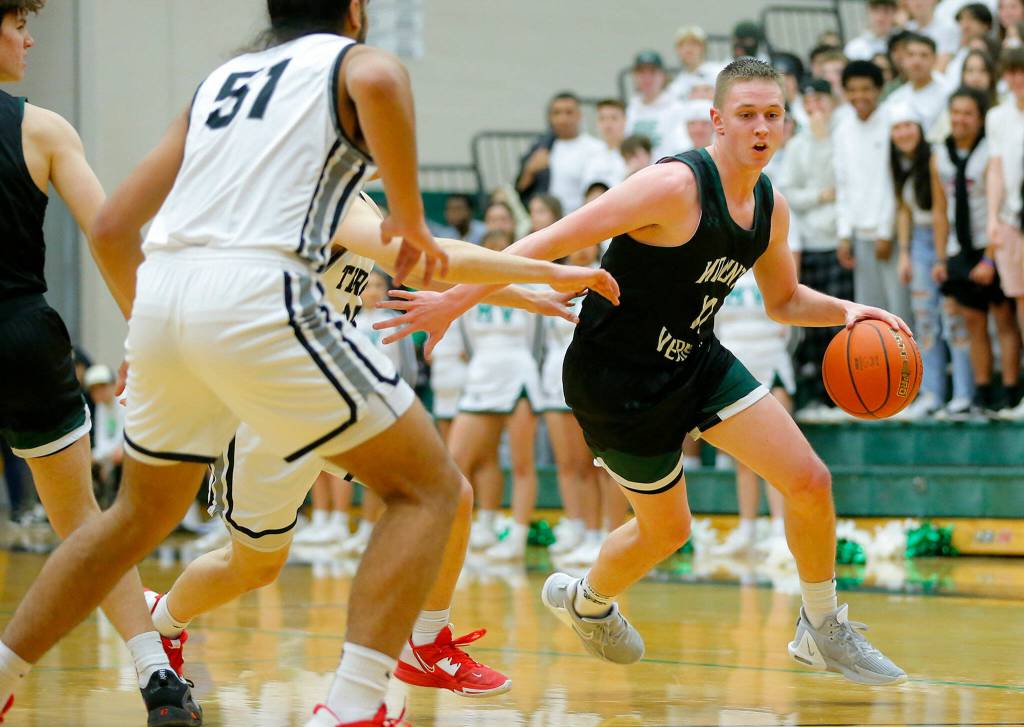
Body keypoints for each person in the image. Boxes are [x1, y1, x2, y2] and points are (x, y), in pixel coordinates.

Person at [0, 4, 622, 727]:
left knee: (136, 520)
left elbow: (111, 228)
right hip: (268, 329)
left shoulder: (224, 84)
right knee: (428, 493)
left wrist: (516, 290)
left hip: (176, 306)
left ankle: (11, 668)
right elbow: (412, 243)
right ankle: (354, 700)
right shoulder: (356, 74)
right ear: (355, 12)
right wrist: (547, 267)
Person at [375, 58, 909, 687]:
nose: (761, 127)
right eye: (746, 115)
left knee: (810, 480)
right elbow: (545, 239)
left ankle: (822, 627)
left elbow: (783, 301)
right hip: (616, 382)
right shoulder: (674, 186)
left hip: (695, 358)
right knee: (668, 531)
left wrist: (848, 310)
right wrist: (454, 297)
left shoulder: (771, 206)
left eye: (772, 115)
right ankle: (587, 600)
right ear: (717, 121)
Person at [0, 1, 198, 723]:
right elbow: (110, 232)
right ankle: (156, 675)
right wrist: (151, 340)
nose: (29, 38)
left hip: (20, 329)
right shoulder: (43, 128)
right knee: (85, 520)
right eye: (18, 23)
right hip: (21, 332)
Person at [932, 87, 1022, 416]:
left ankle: (1011, 391)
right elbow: (941, 209)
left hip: (990, 244)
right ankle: (982, 393)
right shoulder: (939, 154)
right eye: (955, 112)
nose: (960, 119)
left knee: (1003, 319)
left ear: (980, 117)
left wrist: (990, 256)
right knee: (973, 321)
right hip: (960, 247)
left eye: (968, 113)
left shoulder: (989, 152)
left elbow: (998, 206)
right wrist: (942, 257)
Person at [890, 104, 969, 418]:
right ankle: (931, 393)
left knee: (954, 320)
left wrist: (941, 254)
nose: (904, 133)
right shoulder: (899, 163)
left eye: (909, 126)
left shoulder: (935, 159)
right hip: (918, 244)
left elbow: (942, 211)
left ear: (920, 129)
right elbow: (904, 209)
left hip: (944, 239)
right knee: (924, 323)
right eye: (897, 128)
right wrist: (905, 253)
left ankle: (963, 394)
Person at [780, 78, 852, 420]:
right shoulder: (796, 145)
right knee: (811, 325)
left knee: (840, 321)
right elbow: (791, 192)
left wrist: (824, 140)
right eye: (811, 100)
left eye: (822, 99)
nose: (816, 106)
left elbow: (845, 183)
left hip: (837, 238)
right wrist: (821, 195)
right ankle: (820, 394)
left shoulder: (843, 136)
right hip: (808, 242)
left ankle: (843, 393)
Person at [835, 60, 912, 322]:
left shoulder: (893, 122)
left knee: (901, 315)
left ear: (879, 89)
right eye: (852, 90)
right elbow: (843, 185)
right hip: (860, 237)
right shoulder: (843, 129)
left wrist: (885, 231)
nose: (860, 96)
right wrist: (844, 233)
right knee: (869, 317)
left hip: (890, 236)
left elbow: (895, 184)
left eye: (866, 88)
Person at [985, 47, 1024, 419]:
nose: (1017, 80)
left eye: (1022, 72)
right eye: (1011, 72)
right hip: (1014, 220)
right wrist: (993, 217)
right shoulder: (998, 116)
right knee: (1020, 307)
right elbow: (996, 168)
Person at [515, 92, 604, 213]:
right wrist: (530, 170)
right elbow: (520, 188)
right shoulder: (541, 147)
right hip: (550, 221)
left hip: (584, 217)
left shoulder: (596, 148)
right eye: (557, 113)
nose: (563, 119)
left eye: (569, 112)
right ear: (550, 117)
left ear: (579, 115)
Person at [625, 51, 686, 161]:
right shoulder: (631, 109)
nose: (646, 78)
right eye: (641, 72)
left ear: (663, 76)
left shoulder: (676, 109)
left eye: (652, 72)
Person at [578, 98, 627, 194]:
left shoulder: (635, 154)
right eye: (602, 119)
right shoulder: (591, 155)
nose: (608, 124)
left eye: (614, 118)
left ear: (625, 121)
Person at [666, 25, 725, 101]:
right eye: (682, 45)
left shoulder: (720, 73)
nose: (688, 49)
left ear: (703, 47)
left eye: (693, 44)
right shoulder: (676, 87)